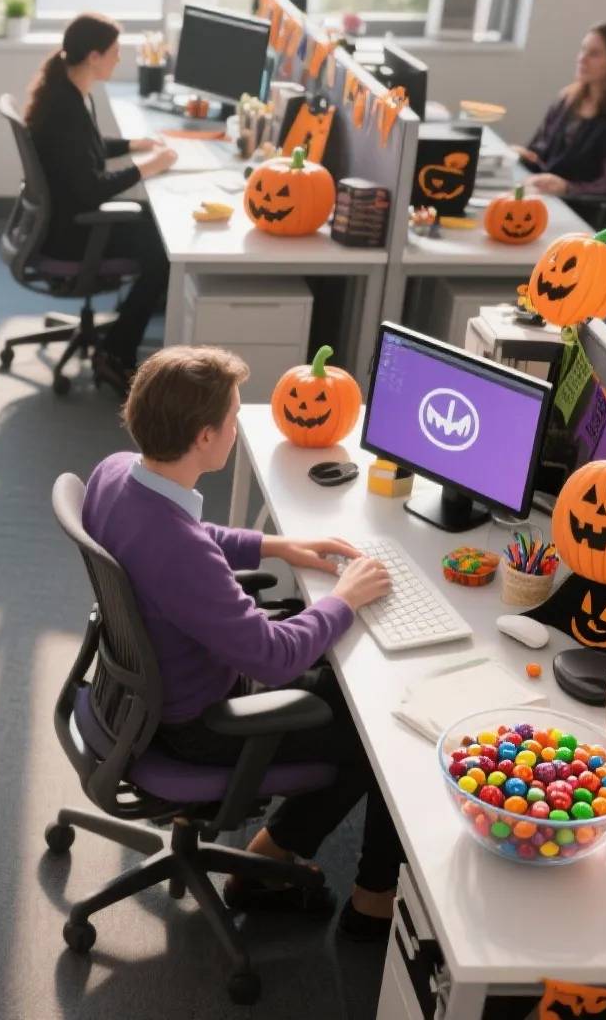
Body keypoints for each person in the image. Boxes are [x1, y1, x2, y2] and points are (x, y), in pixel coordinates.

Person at [79, 346, 403, 941]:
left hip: (136, 692)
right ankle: (344, 890)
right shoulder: (178, 552)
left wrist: (278, 546)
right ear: (206, 437)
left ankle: (280, 856)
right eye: (231, 418)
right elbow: (270, 654)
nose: (236, 427)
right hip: (200, 724)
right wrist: (345, 599)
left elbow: (189, 532)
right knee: (375, 731)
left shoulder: (118, 471)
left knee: (338, 678)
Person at [24, 13, 178, 396]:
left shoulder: (69, 93)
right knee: (164, 253)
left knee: (152, 224)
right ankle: (114, 354)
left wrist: (132, 146)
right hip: (74, 232)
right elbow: (91, 189)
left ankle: (125, 333)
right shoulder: (65, 109)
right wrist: (147, 168)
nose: (119, 60)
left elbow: (85, 151)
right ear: (94, 56)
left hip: (65, 219)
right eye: (114, 53)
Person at [512, 22, 606, 199]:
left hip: (582, 208)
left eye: (595, 54)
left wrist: (567, 188)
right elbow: (540, 151)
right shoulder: (566, 99)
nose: (582, 58)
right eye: (583, 50)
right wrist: (523, 155)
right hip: (544, 194)